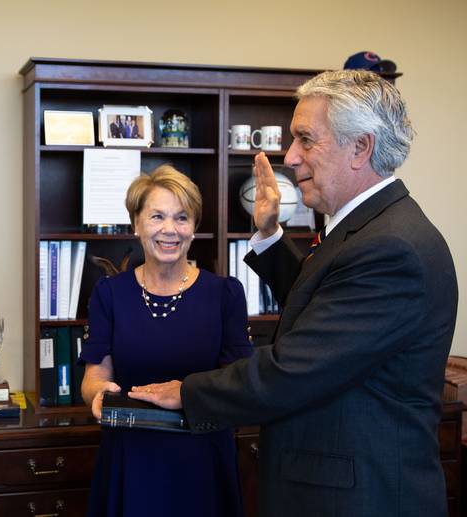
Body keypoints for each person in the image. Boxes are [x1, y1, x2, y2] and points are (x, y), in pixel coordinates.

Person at [130, 70, 458, 516]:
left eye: (306, 139)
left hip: (361, 498)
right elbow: (325, 305)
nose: (290, 156)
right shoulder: (371, 230)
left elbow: (296, 368)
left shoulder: (390, 247)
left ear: (360, 147)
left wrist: (188, 393)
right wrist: (268, 236)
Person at [80, 164, 253, 516]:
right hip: (132, 455)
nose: (170, 230)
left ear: (194, 228)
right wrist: (97, 394)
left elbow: (239, 384)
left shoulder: (225, 294)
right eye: (157, 216)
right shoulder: (109, 294)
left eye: (182, 218)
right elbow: (95, 375)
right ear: (137, 224)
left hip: (202, 457)